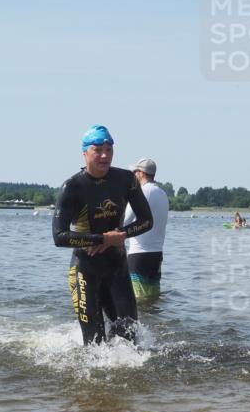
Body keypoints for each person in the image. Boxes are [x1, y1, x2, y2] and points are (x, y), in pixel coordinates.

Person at [53, 125, 153, 345]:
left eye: (109, 149)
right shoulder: (73, 186)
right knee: (94, 343)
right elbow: (59, 237)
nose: (104, 155)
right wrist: (102, 239)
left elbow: (147, 221)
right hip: (84, 270)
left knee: (129, 338)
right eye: (98, 149)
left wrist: (121, 234)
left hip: (117, 268)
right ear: (85, 152)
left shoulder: (126, 179)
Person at [124, 157, 169, 300]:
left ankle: (141, 323)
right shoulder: (163, 194)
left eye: (135, 172)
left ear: (141, 173)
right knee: (152, 298)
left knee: (138, 300)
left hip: (139, 255)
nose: (134, 176)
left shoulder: (141, 192)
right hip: (157, 255)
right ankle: (153, 322)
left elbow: (125, 221)